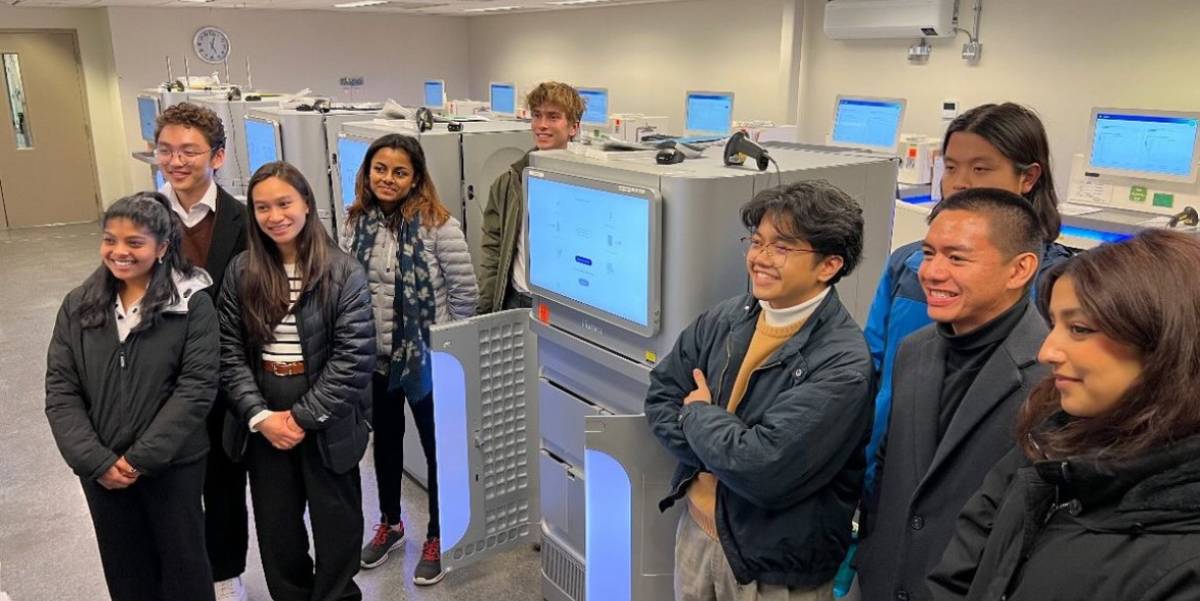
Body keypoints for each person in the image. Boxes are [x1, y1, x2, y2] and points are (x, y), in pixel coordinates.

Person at [929, 230, 1200, 600]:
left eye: (1080, 329)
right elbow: (963, 566)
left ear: (1167, 340)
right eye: (1054, 324)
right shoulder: (1051, 441)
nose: (1047, 351)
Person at [645, 181, 874, 601]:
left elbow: (761, 468)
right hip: (697, 530)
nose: (760, 258)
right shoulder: (726, 318)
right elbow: (661, 395)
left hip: (774, 566)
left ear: (829, 265)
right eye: (757, 242)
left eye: (782, 248)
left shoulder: (844, 364)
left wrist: (697, 415)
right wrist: (723, 447)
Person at [861, 102, 1071, 496]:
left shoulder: (1055, 285)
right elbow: (871, 367)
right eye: (951, 167)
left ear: (1028, 178)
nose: (959, 182)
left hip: (980, 490)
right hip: (888, 471)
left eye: (980, 168)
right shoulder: (908, 267)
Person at [857, 188, 1051, 601]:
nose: (931, 272)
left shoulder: (1051, 379)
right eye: (929, 254)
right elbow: (891, 473)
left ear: (1020, 270)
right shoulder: (915, 349)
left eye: (957, 258)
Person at [45, 192, 218, 601]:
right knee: (126, 573)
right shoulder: (79, 305)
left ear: (161, 248)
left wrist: (141, 458)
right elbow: (61, 390)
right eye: (110, 240)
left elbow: (196, 388)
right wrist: (96, 461)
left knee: (185, 571)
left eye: (134, 243)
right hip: (102, 470)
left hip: (172, 466)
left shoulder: (192, 303)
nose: (119, 252)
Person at [219, 161, 375, 601]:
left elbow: (353, 358)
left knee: (338, 526)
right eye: (262, 207)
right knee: (278, 529)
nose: (275, 216)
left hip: (328, 417)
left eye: (284, 203)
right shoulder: (241, 271)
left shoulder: (344, 272)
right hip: (264, 413)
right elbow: (228, 355)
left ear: (306, 202)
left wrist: (302, 418)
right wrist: (259, 416)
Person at [341, 134, 478, 585]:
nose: (388, 178)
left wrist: (448, 352)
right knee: (386, 445)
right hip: (373, 357)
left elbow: (465, 295)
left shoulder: (439, 225)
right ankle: (391, 523)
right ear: (367, 172)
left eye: (399, 171)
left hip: (427, 361)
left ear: (415, 177)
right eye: (380, 169)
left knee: (439, 452)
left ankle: (439, 534)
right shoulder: (356, 222)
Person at [154, 101, 250, 601]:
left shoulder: (245, 218)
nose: (176, 160)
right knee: (170, 487)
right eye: (166, 149)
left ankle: (227, 573)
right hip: (162, 380)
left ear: (217, 157)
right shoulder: (142, 215)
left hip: (227, 376)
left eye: (189, 150)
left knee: (226, 483)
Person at [477, 81, 584, 313]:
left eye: (553, 117)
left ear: (573, 127)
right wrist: (486, 309)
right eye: (537, 116)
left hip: (565, 304)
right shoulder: (509, 182)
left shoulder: (585, 186)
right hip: (519, 298)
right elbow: (493, 251)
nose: (542, 125)